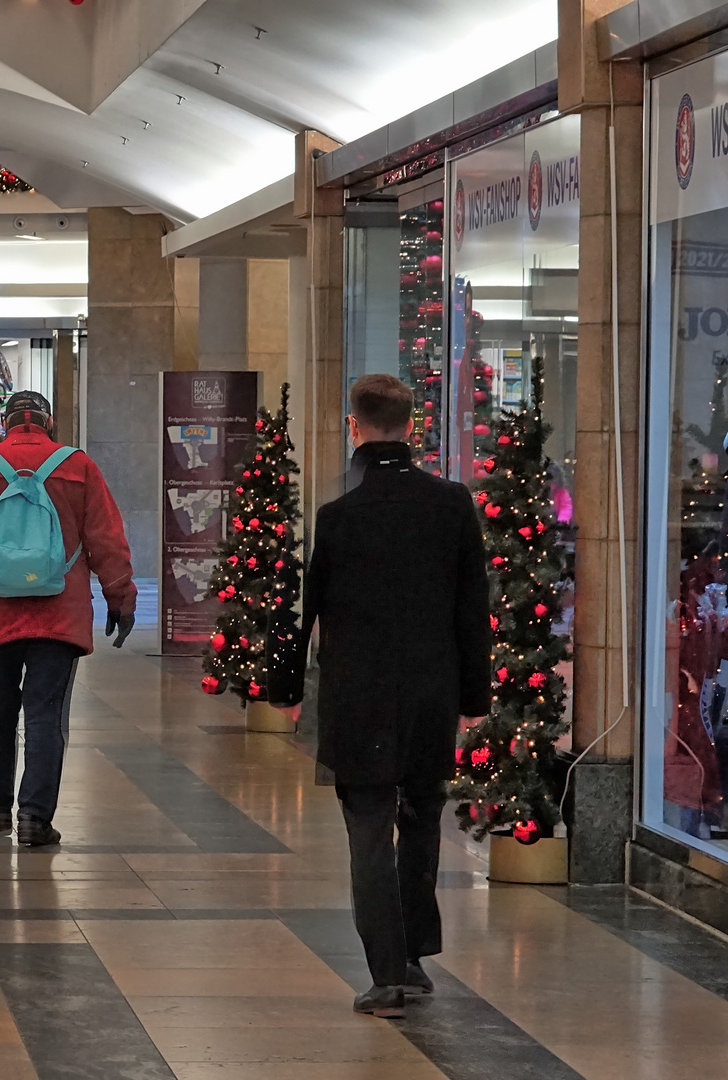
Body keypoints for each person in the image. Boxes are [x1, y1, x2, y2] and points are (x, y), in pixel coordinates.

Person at [272, 373, 490, 1019]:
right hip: (431, 691)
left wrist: (289, 690)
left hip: (360, 694)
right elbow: (470, 608)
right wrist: (473, 695)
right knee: (423, 819)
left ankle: (387, 974)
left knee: (368, 829)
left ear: (353, 425)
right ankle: (416, 954)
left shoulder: (340, 515)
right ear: (412, 425)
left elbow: (309, 607)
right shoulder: (451, 505)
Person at [0, 390, 135, 848]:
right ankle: (35, 818)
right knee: (46, 715)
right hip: (59, 614)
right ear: (48, 421)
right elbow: (107, 539)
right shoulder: (77, 466)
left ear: (6, 422)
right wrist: (120, 598)